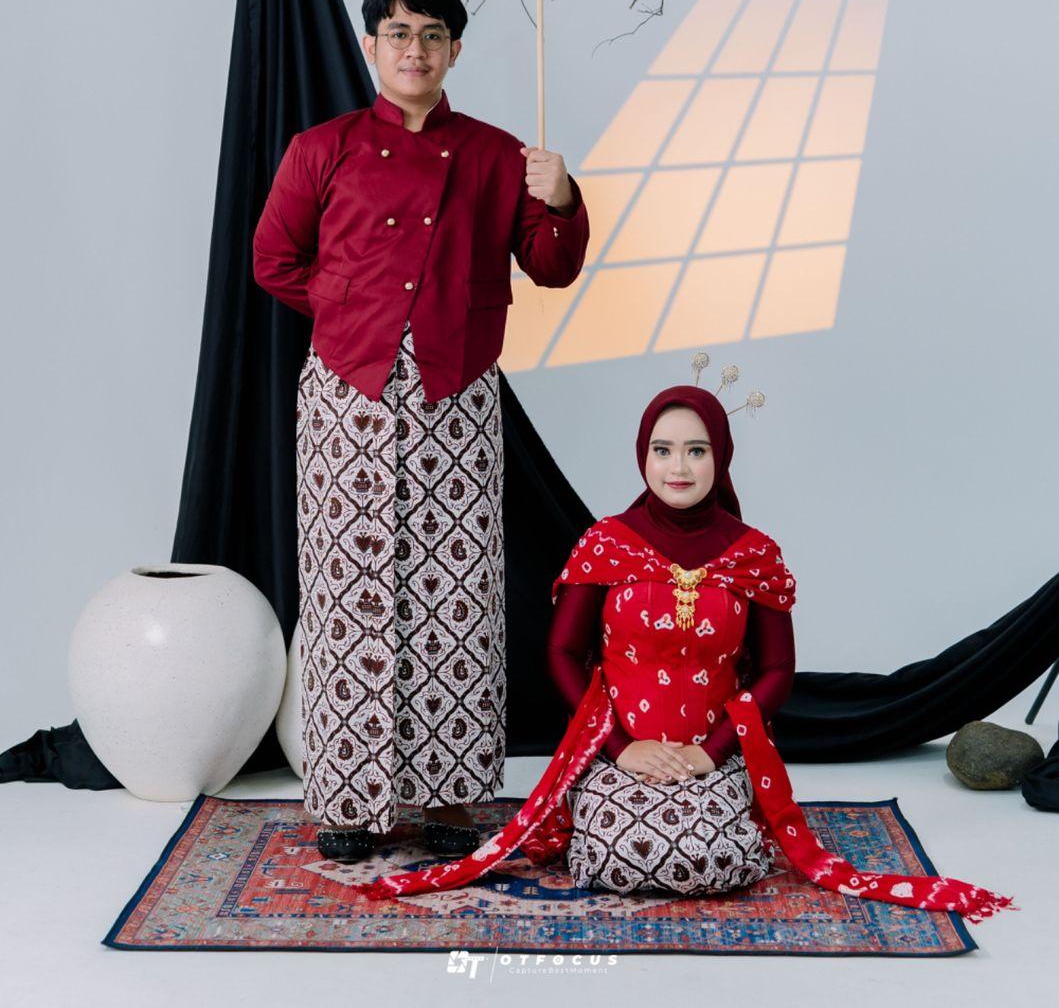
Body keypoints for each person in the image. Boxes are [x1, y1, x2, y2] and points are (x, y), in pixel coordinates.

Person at [355, 379, 1012, 924]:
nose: (678, 467)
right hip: (616, 751)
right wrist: (620, 747)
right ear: (642, 456)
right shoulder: (607, 545)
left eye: (696, 451)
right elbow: (561, 653)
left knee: (715, 859)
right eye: (662, 450)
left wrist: (711, 751)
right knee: (614, 860)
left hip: (710, 751)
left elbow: (777, 670)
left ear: (719, 457)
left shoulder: (752, 554)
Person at [252, 0, 590, 863]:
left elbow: (551, 267)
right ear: (372, 46)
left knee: (456, 591)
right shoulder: (320, 148)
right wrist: (357, 312)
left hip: (457, 389)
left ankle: (447, 798)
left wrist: (559, 196)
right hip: (346, 391)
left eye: (432, 34)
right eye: (398, 33)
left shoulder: (497, 154)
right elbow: (273, 259)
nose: (415, 50)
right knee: (346, 592)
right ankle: (348, 801)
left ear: (455, 50)